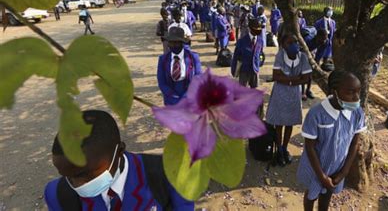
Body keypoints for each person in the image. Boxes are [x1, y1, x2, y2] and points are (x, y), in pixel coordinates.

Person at [44, 110, 194, 210]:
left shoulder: (169, 173)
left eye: (85, 174)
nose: (78, 186)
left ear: (119, 151)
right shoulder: (58, 195)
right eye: (68, 176)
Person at [297, 70, 367, 211]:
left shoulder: (357, 113)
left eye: (358, 92)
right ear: (335, 92)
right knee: (311, 195)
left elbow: (355, 143)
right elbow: (309, 147)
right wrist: (322, 176)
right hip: (316, 167)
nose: (356, 98)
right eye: (350, 92)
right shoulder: (317, 114)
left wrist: (343, 172)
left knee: (327, 194)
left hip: (337, 168)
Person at [266, 34, 312, 166]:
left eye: (296, 42)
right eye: (289, 42)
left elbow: (307, 77)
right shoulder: (280, 55)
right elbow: (276, 76)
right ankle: (279, 149)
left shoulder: (302, 57)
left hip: (292, 95)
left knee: (290, 123)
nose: (293, 45)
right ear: (283, 45)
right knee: (279, 123)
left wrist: (286, 79)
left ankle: (284, 148)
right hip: (281, 94)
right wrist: (295, 79)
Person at [157, 27, 202, 105]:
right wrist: (173, 97)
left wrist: (185, 97)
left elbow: (198, 77)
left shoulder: (192, 57)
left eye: (177, 42)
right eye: (171, 42)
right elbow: (161, 81)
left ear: (182, 43)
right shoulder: (163, 59)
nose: (173, 45)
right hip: (171, 100)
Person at [231, 17, 264, 89]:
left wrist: (260, 62)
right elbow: (236, 57)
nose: (258, 31)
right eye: (256, 29)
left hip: (255, 70)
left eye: (259, 29)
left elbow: (261, 54)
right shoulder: (242, 41)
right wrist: (234, 70)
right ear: (250, 28)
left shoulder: (260, 41)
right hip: (244, 70)